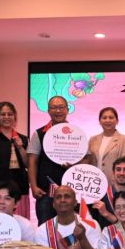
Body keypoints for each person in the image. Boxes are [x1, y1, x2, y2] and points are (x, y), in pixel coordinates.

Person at [28, 95, 78, 224]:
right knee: (46, 228)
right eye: (54, 108)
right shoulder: (39, 133)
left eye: (61, 107)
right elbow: (32, 161)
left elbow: (86, 159)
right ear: (48, 111)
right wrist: (33, 186)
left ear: (67, 109)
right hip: (45, 192)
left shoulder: (77, 134)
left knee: (72, 228)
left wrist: (74, 165)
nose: (58, 111)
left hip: (71, 191)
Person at [85, 107, 125, 182]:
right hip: (93, 183)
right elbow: (87, 161)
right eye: (104, 118)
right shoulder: (92, 140)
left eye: (111, 117)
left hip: (114, 183)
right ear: (100, 121)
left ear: (117, 121)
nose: (107, 120)